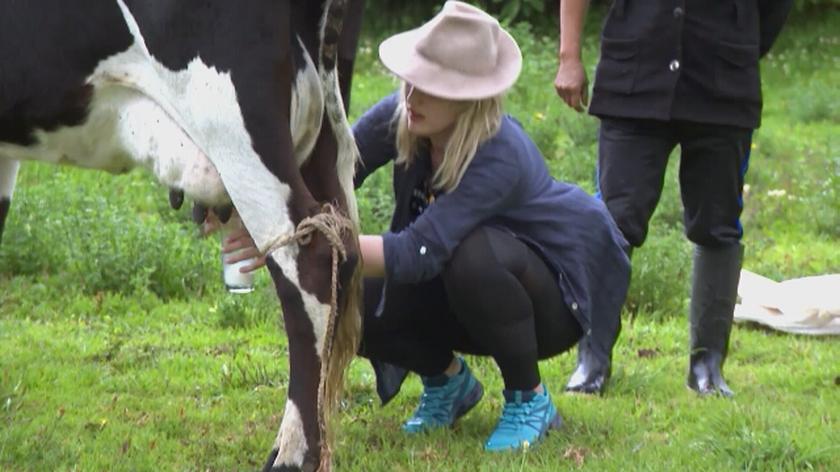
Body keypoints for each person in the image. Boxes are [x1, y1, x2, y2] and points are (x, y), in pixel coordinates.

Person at [225, 1, 630, 451]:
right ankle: (448, 383)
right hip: (463, 293)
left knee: (473, 255)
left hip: (550, 303)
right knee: (341, 285)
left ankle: (529, 398)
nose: (412, 97)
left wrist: (305, 239)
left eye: (431, 87)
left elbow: (419, 252)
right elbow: (332, 172)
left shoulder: (500, 153)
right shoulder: (406, 114)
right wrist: (267, 214)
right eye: (411, 82)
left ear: (468, 95)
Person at [554, 0, 794, 396]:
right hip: (633, 76)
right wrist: (569, 56)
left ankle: (707, 366)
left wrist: (740, 47)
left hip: (724, 84)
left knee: (717, 226)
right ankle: (592, 361)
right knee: (614, 219)